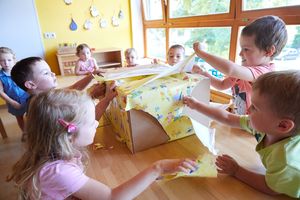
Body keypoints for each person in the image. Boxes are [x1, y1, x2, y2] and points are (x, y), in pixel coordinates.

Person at [8, 89, 197, 199]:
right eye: (92, 122)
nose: (97, 123)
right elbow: (112, 197)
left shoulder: (50, 150)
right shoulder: (59, 172)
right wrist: (158, 167)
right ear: (69, 134)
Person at [183, 70, 300, 198]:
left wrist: (237, 171)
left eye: (255, 107)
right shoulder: (265, 126)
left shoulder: (285, 159)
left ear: (283, 125)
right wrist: (196, 105)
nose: (249, 108)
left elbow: (270, 187)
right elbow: (228, 118)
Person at [192, 15, 287, 114]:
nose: (240, 54)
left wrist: (201, 53)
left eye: (246, 49)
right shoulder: (244, 71)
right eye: (241, 48)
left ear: (268, 51)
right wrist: (203, 73)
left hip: (254, 127)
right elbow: (221, 85)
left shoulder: (265, 73)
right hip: (239, 120)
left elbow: (230, 69)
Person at [11, 56, 109, 120]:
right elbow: (87, 121)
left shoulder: (43, 95)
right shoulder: (47, 107)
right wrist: (103, 98)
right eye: (46, 73)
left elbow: (74, 87)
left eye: (50, 71)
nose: (53, 74)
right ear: (31, 85)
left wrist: (92, 75)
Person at [0, 47, 29, 141]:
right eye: (2, 60)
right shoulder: (0, 76)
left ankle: (33, 131)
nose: (6, 63)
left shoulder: (20, 71)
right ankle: (25, 132)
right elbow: (0, 91)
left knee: (31, 115)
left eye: (9, 60)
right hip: (13, 101)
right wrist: (12, 102)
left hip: (27, 98)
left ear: (14, 60)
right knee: (19, 117)